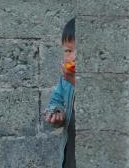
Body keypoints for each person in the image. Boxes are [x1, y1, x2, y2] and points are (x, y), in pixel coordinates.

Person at [44, 18, 76, 168]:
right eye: (68, 51)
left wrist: (75, 82)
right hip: (71, 151)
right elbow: (55, 102)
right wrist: (56, 114)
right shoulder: (64, 80)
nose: (73, 57)